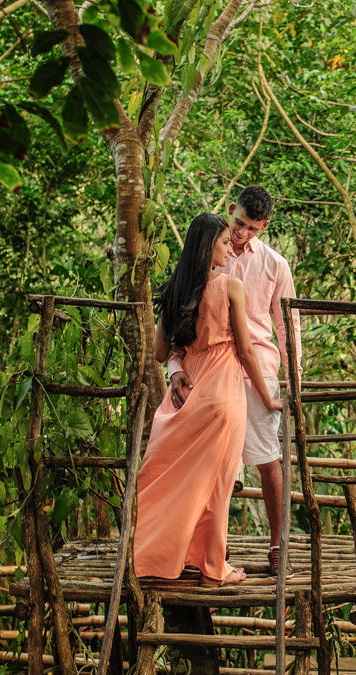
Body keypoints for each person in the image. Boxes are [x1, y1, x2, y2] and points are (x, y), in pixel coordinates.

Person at [134, 213, 282, 587]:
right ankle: (213, 567)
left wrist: (178, 368)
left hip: (188, 390)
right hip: (224, 392)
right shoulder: (231, 287)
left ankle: (167, 555)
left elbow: (158, 351)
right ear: (207, 248)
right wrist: (269, 399)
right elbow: (247, 354)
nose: (227, 246)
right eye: (221, 243)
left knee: (172, 477)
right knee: (216, 483)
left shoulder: (176, 290)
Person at [166, 185, 300, 575]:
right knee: (204, 463)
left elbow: (287, 325)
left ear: (265, 226)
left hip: (258, 369)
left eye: (252, 229)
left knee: (266, 460)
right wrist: (175, 370)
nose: (241, 235)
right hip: (206, 372)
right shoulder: (204, 256)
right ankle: (204, 551)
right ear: (230, 210)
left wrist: (294, 381)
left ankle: (278, 547)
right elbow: (179, 319)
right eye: (238, 224)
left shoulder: (275, 265)